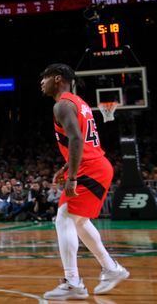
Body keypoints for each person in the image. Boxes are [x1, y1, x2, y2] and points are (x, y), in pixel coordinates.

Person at [39, 63, 129, 300]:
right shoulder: (79, 103)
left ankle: (73, 282)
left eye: (45, 78)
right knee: (78, 222)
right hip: (97, 164)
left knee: (64, 218)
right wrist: (68, 165)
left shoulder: (62, 105)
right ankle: (111, 269)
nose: (42, 82)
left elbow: (77, 139)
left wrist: (72, 176)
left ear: (58, 79)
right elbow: (81, 142)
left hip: (90, 167)